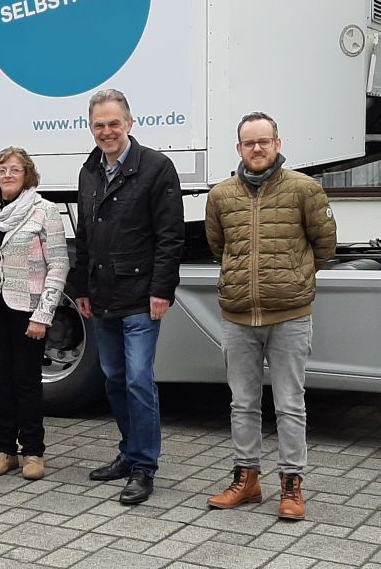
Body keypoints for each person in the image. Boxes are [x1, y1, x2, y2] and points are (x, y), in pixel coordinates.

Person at [204, 112, 336, 520]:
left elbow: (325, 245)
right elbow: (217, 246)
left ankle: (291, 485)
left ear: (278, 144)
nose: (257, 148)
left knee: (289, 405)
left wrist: (292, 279)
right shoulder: (221, 195)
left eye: (264, 141)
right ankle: (247, 480)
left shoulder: (305, 190)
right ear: (239, 148)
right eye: (249, 143)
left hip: (290, 317)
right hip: (238, 316)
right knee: (242, 403)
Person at [75, 89, 185, 505]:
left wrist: (161, 290)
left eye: (113, 123)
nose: (107, 131)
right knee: (115, 379)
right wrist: (82, 288)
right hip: (102, 297)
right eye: (99, 125)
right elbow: (84, 234)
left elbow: (170, 236)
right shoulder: (88, 171)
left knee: (139, 380)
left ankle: (143, 466)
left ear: (130, 123)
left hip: (141, 296)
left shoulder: (157, 168)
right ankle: (127, 451)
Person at [0, 147, 69, 480]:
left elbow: (58, 264)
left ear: (28, 174)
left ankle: (33, 453)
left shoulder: (44, 211)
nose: (8, 175)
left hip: (28, 309)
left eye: (15, 170)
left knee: (25, 381)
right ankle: (4, 450)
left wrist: (44, 314)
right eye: (2, 169)